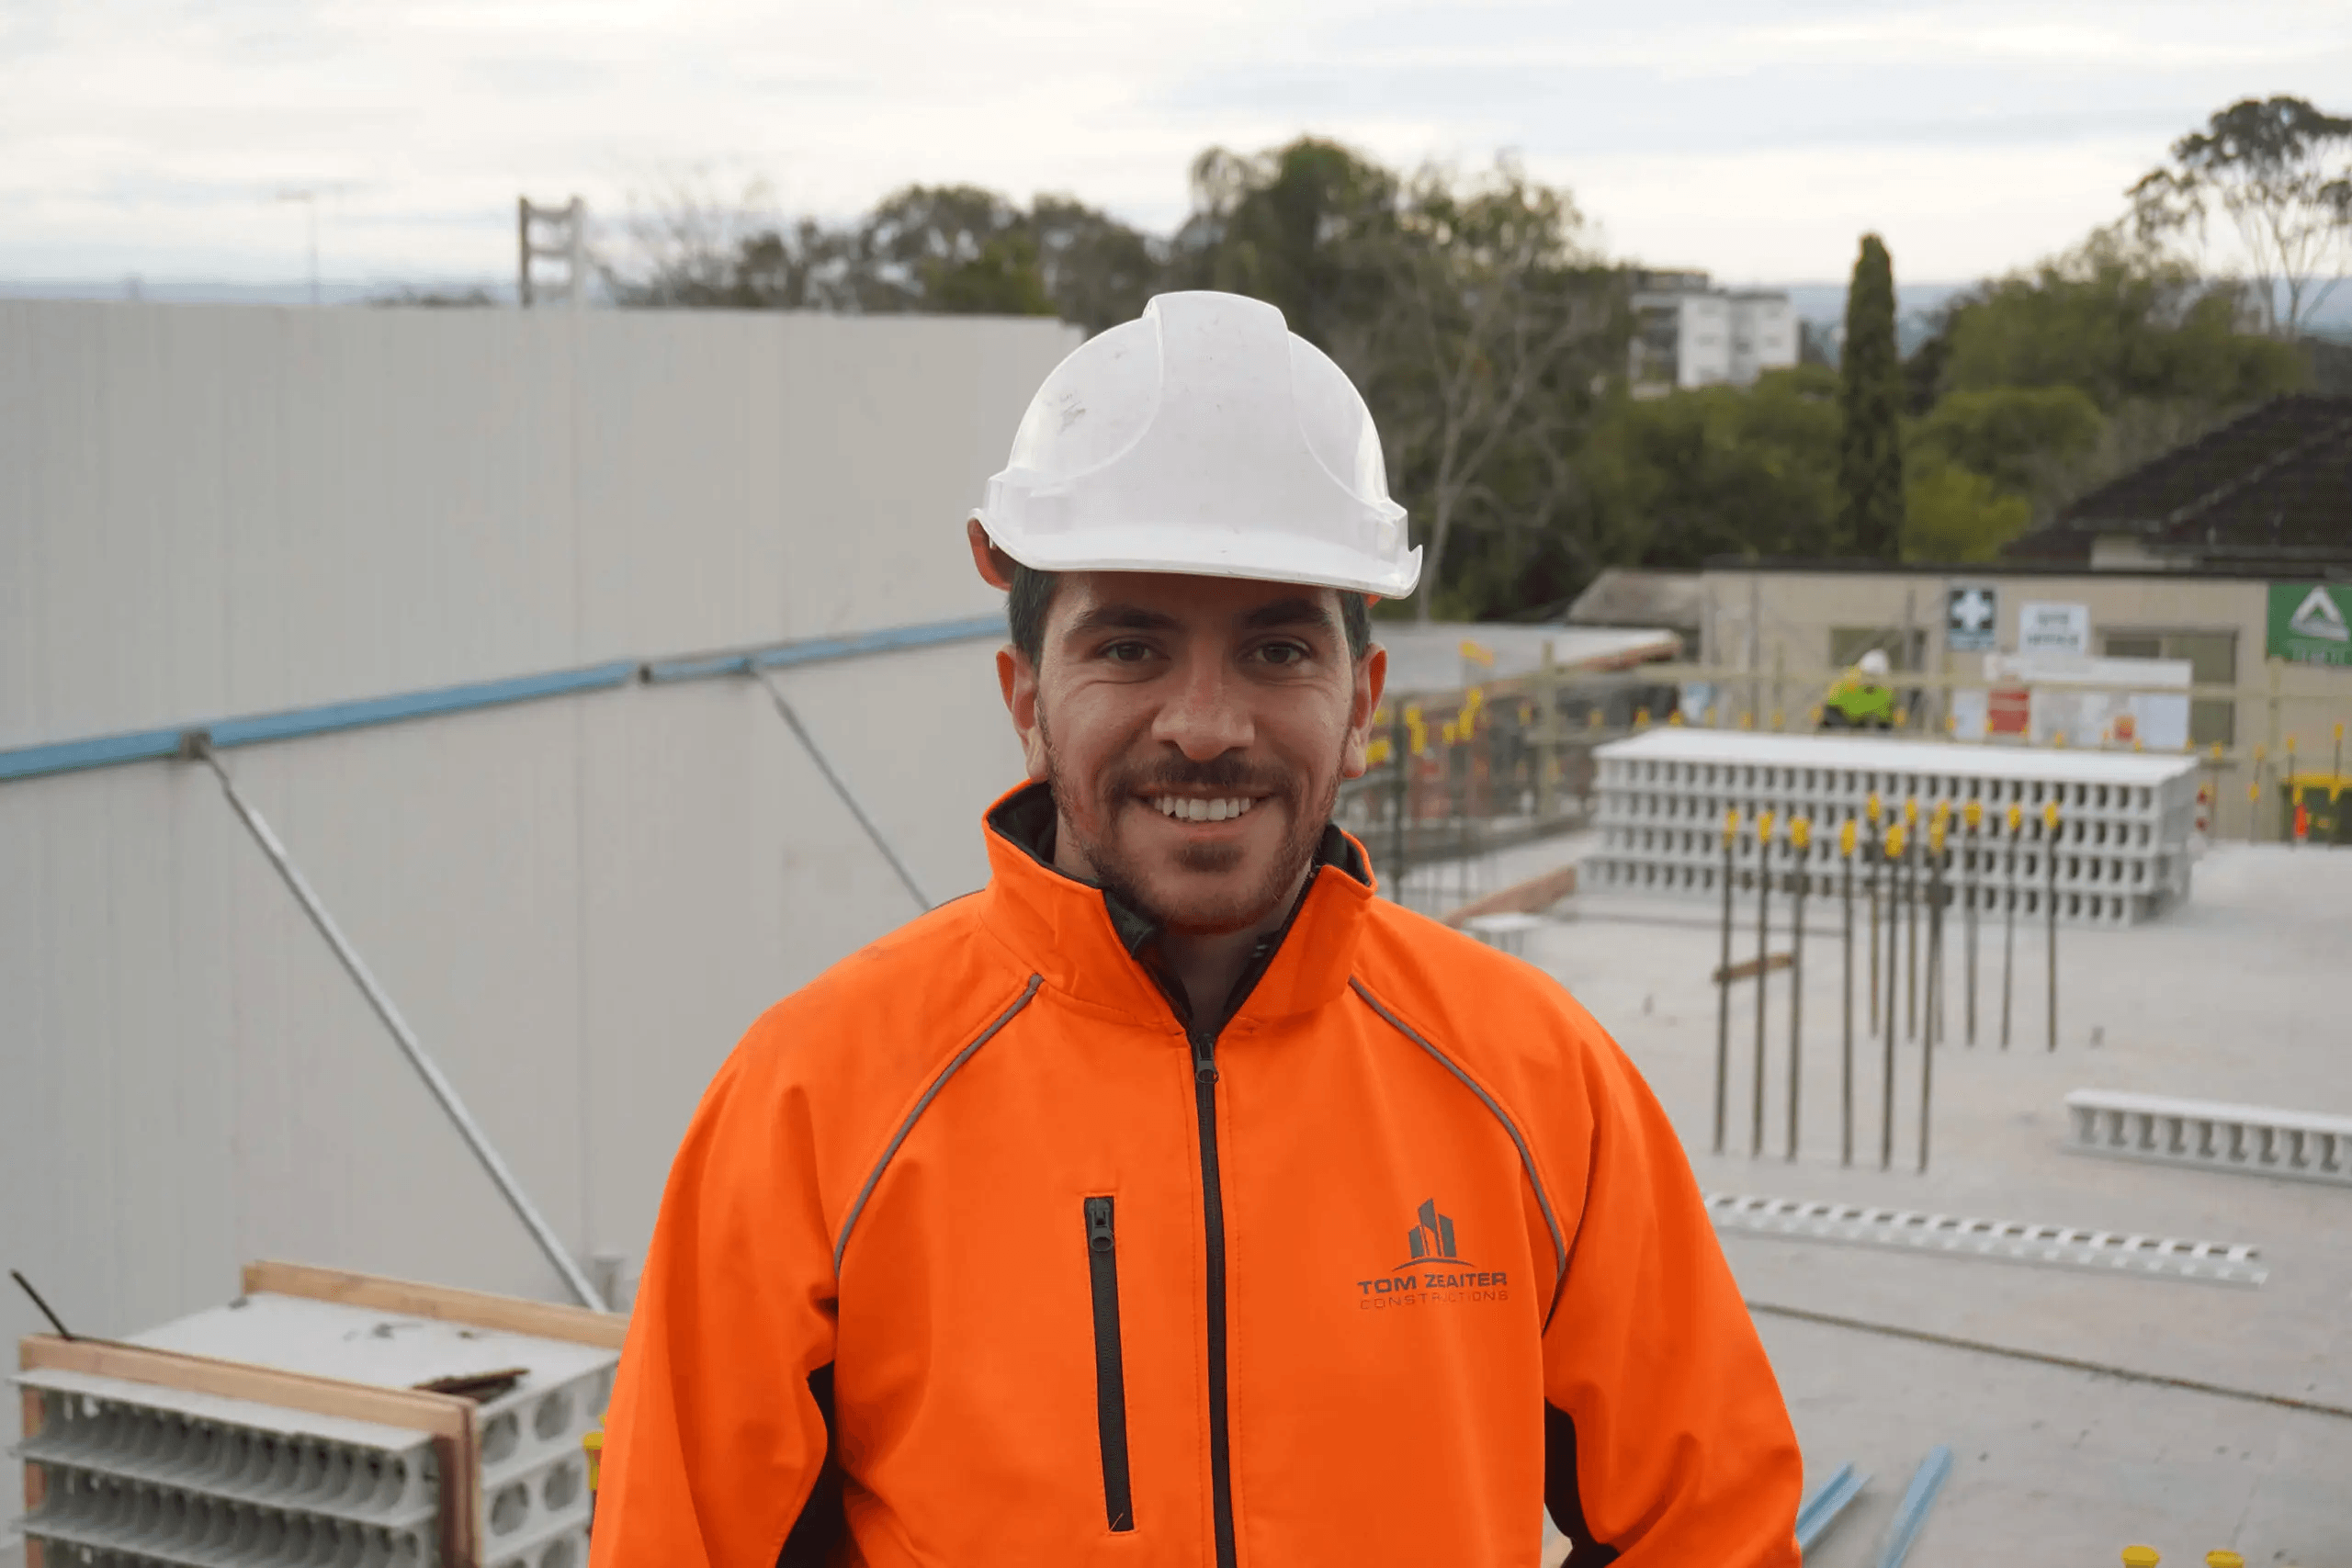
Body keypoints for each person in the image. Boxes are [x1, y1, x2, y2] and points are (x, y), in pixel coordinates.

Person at [590, 291, 1802, 1567]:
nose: (1208, 723)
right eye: (1130, 646)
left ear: (1362, 702)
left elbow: (1712, 1523)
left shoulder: (1538, 1083)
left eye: (1278, 649)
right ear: (1026, 696)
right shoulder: (813, 1102)